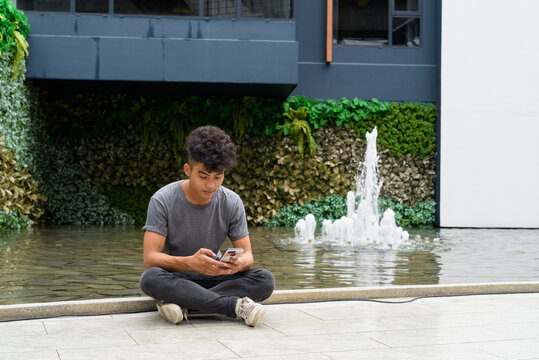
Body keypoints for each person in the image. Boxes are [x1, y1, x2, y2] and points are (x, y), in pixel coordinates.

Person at [139, 125, 275, 327]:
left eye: (218, 177)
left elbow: (248, 255)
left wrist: (238, 264)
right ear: (188, 170)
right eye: (203, 176)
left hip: (216, 276)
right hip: (178, 277)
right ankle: (233, 306)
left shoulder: (231, 201)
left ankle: (184, 302)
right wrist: (189, 263)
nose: (211, 185)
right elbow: (150, 258)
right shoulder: (162, 200)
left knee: (265, 279)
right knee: (150, 278)